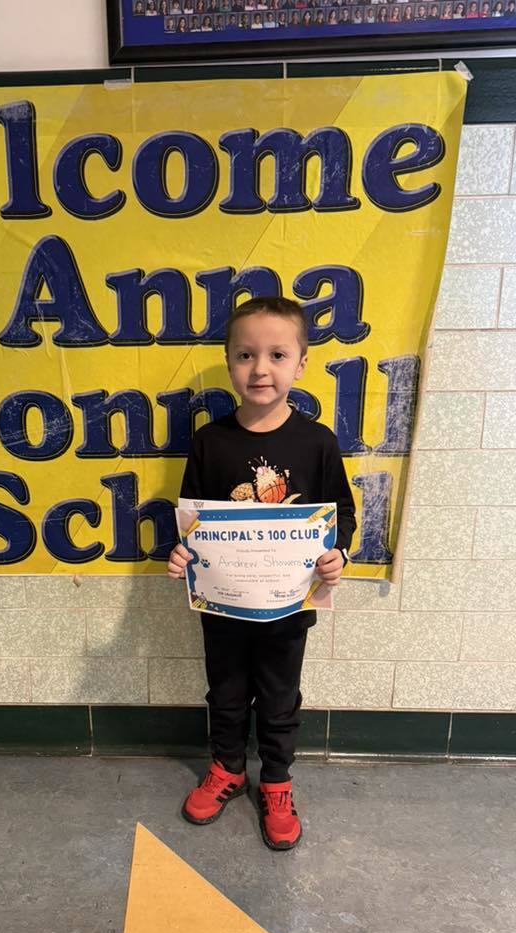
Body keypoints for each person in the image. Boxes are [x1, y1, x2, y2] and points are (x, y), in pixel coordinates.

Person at [167, 297, 356, 851]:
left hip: (288, 604)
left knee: (278, 696)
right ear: (229, 361)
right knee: (225, 692)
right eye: (246, 355)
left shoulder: (316, 442)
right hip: (224, 605)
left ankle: (275, 780)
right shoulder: (210, 442)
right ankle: (226, 768)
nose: (260, 368)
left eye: (277, 354)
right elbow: (194, 520)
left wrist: (336, 553)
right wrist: (182, 555)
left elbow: (338, 512)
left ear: (301, 363)